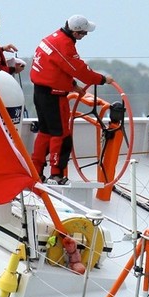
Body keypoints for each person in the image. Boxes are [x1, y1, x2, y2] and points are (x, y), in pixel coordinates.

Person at [30, 14, 110, 185]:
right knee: (61, 135)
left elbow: (55, 67)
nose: (84, 36)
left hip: (40, 92)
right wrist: (102, 80)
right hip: (54, 96)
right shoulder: (65, 46)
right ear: (76, 33)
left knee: (45, 131)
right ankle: (56, 175)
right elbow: (81, 70)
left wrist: (72, 85)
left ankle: (36, 171)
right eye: (84, 33)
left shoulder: (52, 38)